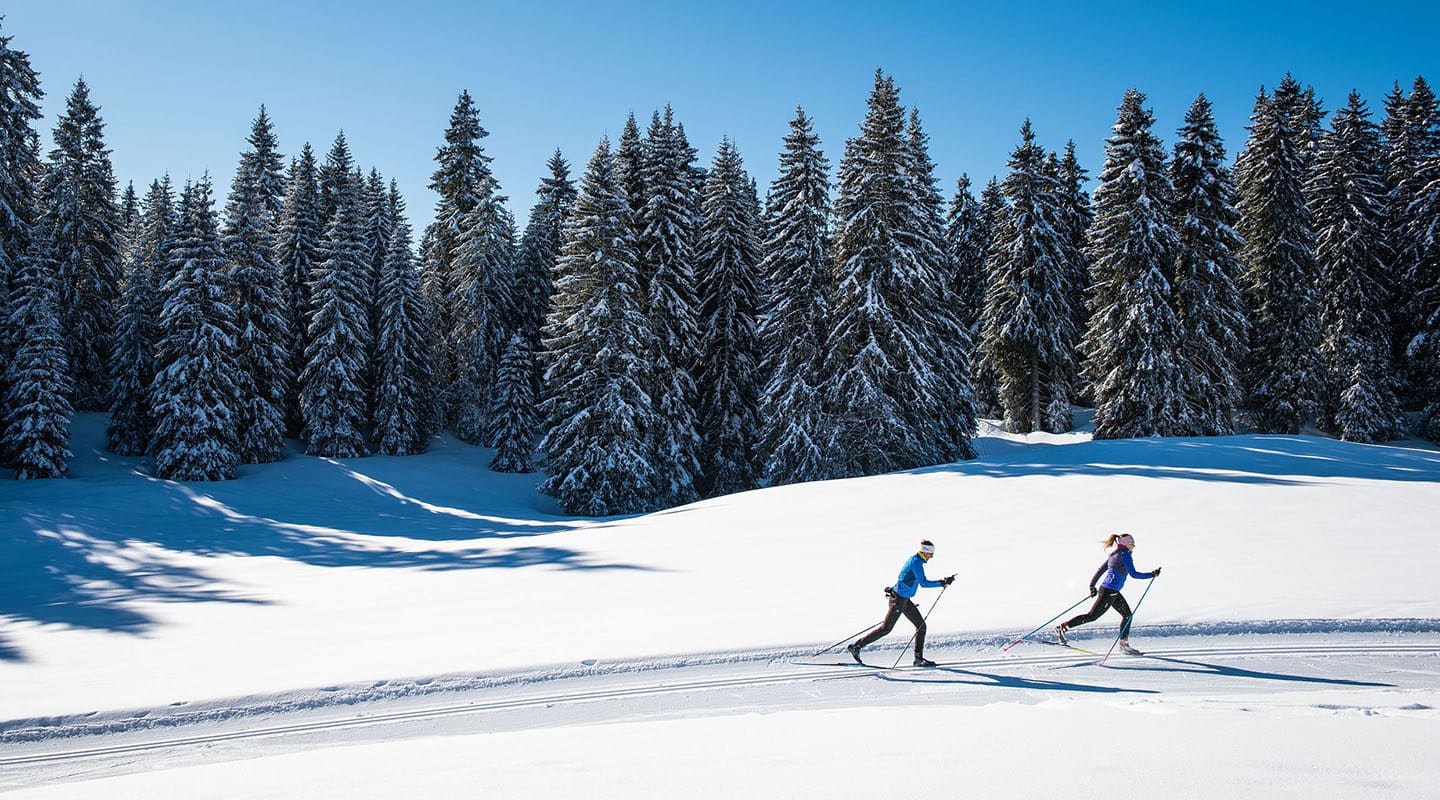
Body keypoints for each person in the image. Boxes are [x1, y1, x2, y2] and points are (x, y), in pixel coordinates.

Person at [849, 540, 955, 667]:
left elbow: (903, 578)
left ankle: (918, 659)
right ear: (925, 552)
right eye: (931, 554)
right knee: (886, 628)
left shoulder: (915, 560)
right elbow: (923, 583)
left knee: (921, 626)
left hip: (903, 600)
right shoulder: (916, 563)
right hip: (899, 600)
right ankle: (856, 646)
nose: (931, 557)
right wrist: (942, 582)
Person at [1055, 533, 1161, 654]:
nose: (1134, 547)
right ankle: (1062, 628)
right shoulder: (1125, 555)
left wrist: (1092, 585)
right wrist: (1151, 575)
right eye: (1132, 544)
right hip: (1109, 592)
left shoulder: (1113, 554)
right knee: (1092, 616)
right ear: (1126, 544)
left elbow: (1100, 570)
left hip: (1110, 591)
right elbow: (1134, 574)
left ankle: (1123, 645)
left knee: (1127, 615)